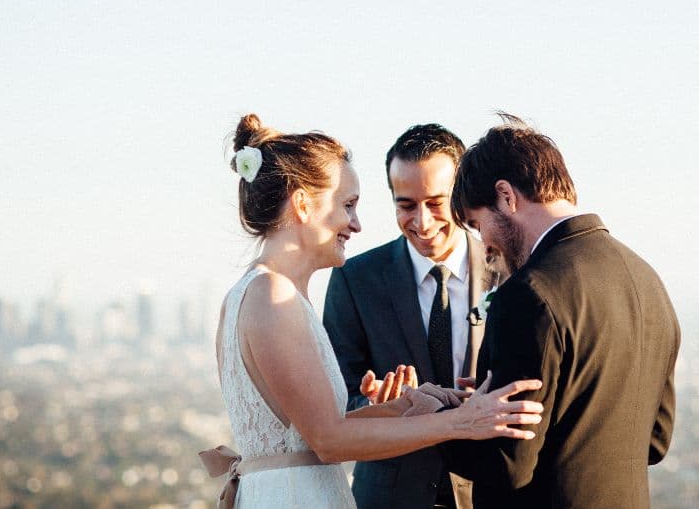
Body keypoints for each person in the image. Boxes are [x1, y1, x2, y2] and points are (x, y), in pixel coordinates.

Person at [204, 114, 543, 509]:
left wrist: (406, 405)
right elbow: (328, 440)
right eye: (347, 205)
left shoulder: (266, 291)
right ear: (301, 204)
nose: (357, 224)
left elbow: (309, 432)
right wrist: (461, 422)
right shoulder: (271, 295)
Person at [439, 114, 681, 508]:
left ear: (506, 196)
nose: (484, 245)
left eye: (476, 223)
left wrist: (440, 418)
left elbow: (507, 465)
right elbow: (654, 441)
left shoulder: (528, 295)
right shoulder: (647, 280)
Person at [324, 124, 502, 509]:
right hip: (389, 497)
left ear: (462, 195)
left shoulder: (508, 273)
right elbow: (335, 403)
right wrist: (374, 406)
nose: (421, 222)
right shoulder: (354, 280)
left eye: (436, 203)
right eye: (406, 206)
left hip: (489, 491)